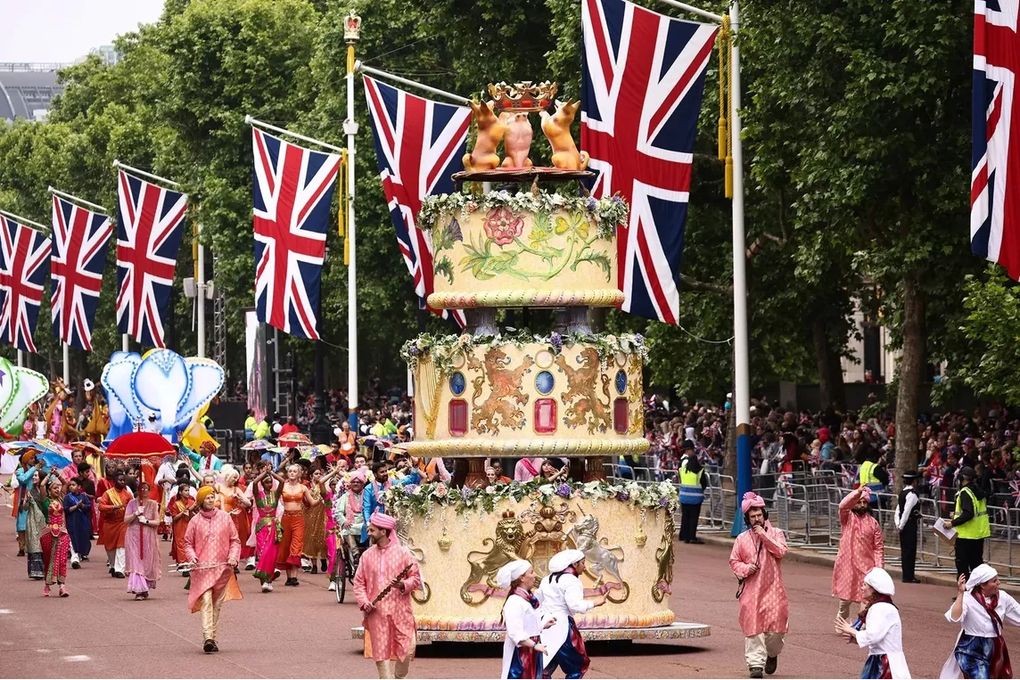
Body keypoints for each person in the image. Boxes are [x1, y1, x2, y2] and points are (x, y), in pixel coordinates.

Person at [353, 512, 422, 679]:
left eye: (372, 530)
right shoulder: (367, 555)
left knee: (408, 647)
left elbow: (416, 578)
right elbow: (359, 583)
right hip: (377, 611)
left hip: (401, 610)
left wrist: (403, 585)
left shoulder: (404, 554)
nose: (368, 533)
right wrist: (364, 602)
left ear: (383, 532)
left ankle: (399, 677)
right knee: (381, 652)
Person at [729, 492, 789, 679]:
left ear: (765, 515)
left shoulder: (776, 533)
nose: (756, 519)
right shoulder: (741, 539)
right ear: (747, 518)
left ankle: (772, 654)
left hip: (774, 589)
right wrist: (746, 568)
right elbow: (734, 561)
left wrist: (764, 536)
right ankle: (755, 665)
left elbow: (781, 551)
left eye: (759, 515)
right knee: (753, 628)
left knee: (775, 631)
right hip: (752, 591)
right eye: (752, 516)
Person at [182, 485, 242, 653]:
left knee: (217, 604)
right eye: (207, 497)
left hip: (222, 569)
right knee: (207, 602)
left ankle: (212, 638)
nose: (211, 500)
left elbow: (235, 541)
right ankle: (208, 637)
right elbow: (187, 543)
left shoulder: (225, 517)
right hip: (202, 570)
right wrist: (192, 557)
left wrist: (233, 557)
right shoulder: (195, 521)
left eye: (212, 497)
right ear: (201, 501)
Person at [941, 564, 1020, 679]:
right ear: (982, 585)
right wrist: (960, 594)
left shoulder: (1003, 597)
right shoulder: (968, 598)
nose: (999, 583)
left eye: (997, 579)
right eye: (994, 581)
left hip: (995, 646)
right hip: (971, 647)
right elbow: (954, 617)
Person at [539, 548, 606, 678]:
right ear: (574, 564)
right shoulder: (572, 581)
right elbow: (575, 605)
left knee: (546, 663)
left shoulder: (546, 580)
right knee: (578, 665)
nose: (584, 567)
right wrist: (596, 602)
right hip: (563, 626)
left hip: (546, 624)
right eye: (582, 563)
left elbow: (538, 600)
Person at [835, 567, 910, 679]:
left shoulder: (880, 608)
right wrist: (855, 638)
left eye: (865, 585)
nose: (861, 588)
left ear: (874, 589)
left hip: (885, 663)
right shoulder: (882, 606)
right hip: (882, 659)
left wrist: (851, 630)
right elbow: (880, 638)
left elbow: (873, 636)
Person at [833, 486, 884, 620]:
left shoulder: (873, 523)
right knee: (845, 600)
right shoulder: (847, 518)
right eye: (859, 502)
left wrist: (879, 569)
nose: (862, 505)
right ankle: (841, 621)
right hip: (847, 565)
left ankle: (861, 626)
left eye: (864, 502)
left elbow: (878, 548)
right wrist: (857, 492)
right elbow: (842, 506)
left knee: (867, 599)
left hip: (867, 567)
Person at [498, 559, 554, 679]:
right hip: (521, 653)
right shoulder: (515, 601)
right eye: (531, 572)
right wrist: (534, 645)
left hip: (531, 649)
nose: (534, 575)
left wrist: (543, 624)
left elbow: (527, 626)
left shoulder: (527, 599)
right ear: (522, 578)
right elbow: (515, 633)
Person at [273, 463, 319, 586]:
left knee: (297, 545)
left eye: (295, 471)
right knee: (286, 546)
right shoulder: (283, 486)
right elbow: (274, 500)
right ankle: (289, 578)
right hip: (286, 518)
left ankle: (295, 576)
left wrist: (320, 496)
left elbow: (312, 503)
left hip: (299, 518)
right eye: (290, 471)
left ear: (299, 473)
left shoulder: (303, 488)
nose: (292, 473)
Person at [949, 467, 991, 579]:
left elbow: (969, 513)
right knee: (976, 566)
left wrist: (952, 523)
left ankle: (964, 593)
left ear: (962, 478)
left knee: (962, 566)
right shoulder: (978, 491)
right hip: (978, 534)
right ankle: (978, 593)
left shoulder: (965, 492)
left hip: (965, 535)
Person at [124, 482, 162, 600]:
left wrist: (146, 521)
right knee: (136, 563)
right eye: (142, 488)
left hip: (148, 537)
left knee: (147, 562)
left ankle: (145, 588)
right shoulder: (131, 503)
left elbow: (157, 521)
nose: (144, 491)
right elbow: (126, 520)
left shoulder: (153, 504)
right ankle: (139, 591)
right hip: (133, 536)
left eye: (146, 488)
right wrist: (136, 513)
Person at [216, 465, 254, 570]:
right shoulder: (218, 487)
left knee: (234, 540)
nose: (235, 480)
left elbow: (248, 503)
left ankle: (234, 561)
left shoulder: (236, 489)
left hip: (234, 517)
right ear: (228, 476)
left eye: (236, 478)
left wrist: (239, 498)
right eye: (233, 477)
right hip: (221, 517)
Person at [250, 467, 281, 592]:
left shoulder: (276, 494)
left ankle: (268, 580)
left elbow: (282, 481)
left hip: (273, 526)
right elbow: (254, 483)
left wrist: (272, 473)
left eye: (270, 482)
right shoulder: (258, 495)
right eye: (266, 482)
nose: (269, 484)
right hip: (262, 526)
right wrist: (264, 473)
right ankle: (264, 581)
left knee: (272, 554)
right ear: (262, 483)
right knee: (263, 552)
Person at [97, 471, 133, 578]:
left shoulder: (128, 494)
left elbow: (132, 507)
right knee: (110, 548)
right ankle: (113, 566)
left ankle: (119, 569)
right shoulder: (108, 493)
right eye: (120, 480)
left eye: (124, 480)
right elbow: (101, 507)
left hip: (123, 523)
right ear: (114, 482)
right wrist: (113, 507)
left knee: (122, 546)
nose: (122, 482)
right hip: (109, 524)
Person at [40, 478, 70, 597]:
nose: (57, 490)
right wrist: (49, 474)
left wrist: (57, 474)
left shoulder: (61, 499)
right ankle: (47, 584)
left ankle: (62, 586)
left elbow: (65, 483)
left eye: (58, 488)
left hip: (62, 533)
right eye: (54, 488)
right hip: (48, 533)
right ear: (49, 490)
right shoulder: (45, 501)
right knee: (49, 559)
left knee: (62, 559)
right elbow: (42, 485)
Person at [894, 471, 921, 584]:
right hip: (909, 525)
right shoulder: (912, 494)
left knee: (905, 550)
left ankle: (907, 575)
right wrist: (902, 525)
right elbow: (906, 511)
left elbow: (897, 511)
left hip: (903, 524)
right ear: (914, 481)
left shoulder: (902, 493)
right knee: (910, 550)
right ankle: (909, 576)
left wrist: (898, 524)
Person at [678, 448, 708, 544]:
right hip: (696, 498)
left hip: (684, 497)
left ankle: (684, 536)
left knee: (685, 517)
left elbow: (680, 479)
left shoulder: (683, 470)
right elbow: (704, 483)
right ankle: (692, 537)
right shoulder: (700, 470)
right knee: (693, 518)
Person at [167, 481, 196, 573]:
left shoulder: (192, 502)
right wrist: (182, 513)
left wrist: (192, 511)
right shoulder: (176, 504)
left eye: (188, 490)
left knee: (190, 544)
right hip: (179, 527)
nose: (187, 492)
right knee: (180, 545)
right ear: (180, 492)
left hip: (190, 525)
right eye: (185, 490)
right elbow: (174, 517)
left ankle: (189, 563)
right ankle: (184, 565)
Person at [63, 478, 92, 568]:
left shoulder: (83, 497)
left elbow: (88, 507)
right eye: (70, 485)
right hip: (72, 521)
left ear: (79, 487)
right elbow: (66, 509)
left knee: (82, 538)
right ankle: (74, 559)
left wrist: (82, 505)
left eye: (73, 485)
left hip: (83, 521)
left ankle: (81, 554)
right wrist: (76, 506)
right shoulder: (67, 497)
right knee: (72, 539)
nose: (71, 486)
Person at [361, 462, 390, 542]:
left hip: (390, 520)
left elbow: (409, 480)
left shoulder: (391, 483)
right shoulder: (369, 488)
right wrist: (368, 523)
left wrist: (415, 468)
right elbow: (366, 508)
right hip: (375, 523)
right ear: (375, 474)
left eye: (386, 471)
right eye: (382, 472)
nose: (385, 474)